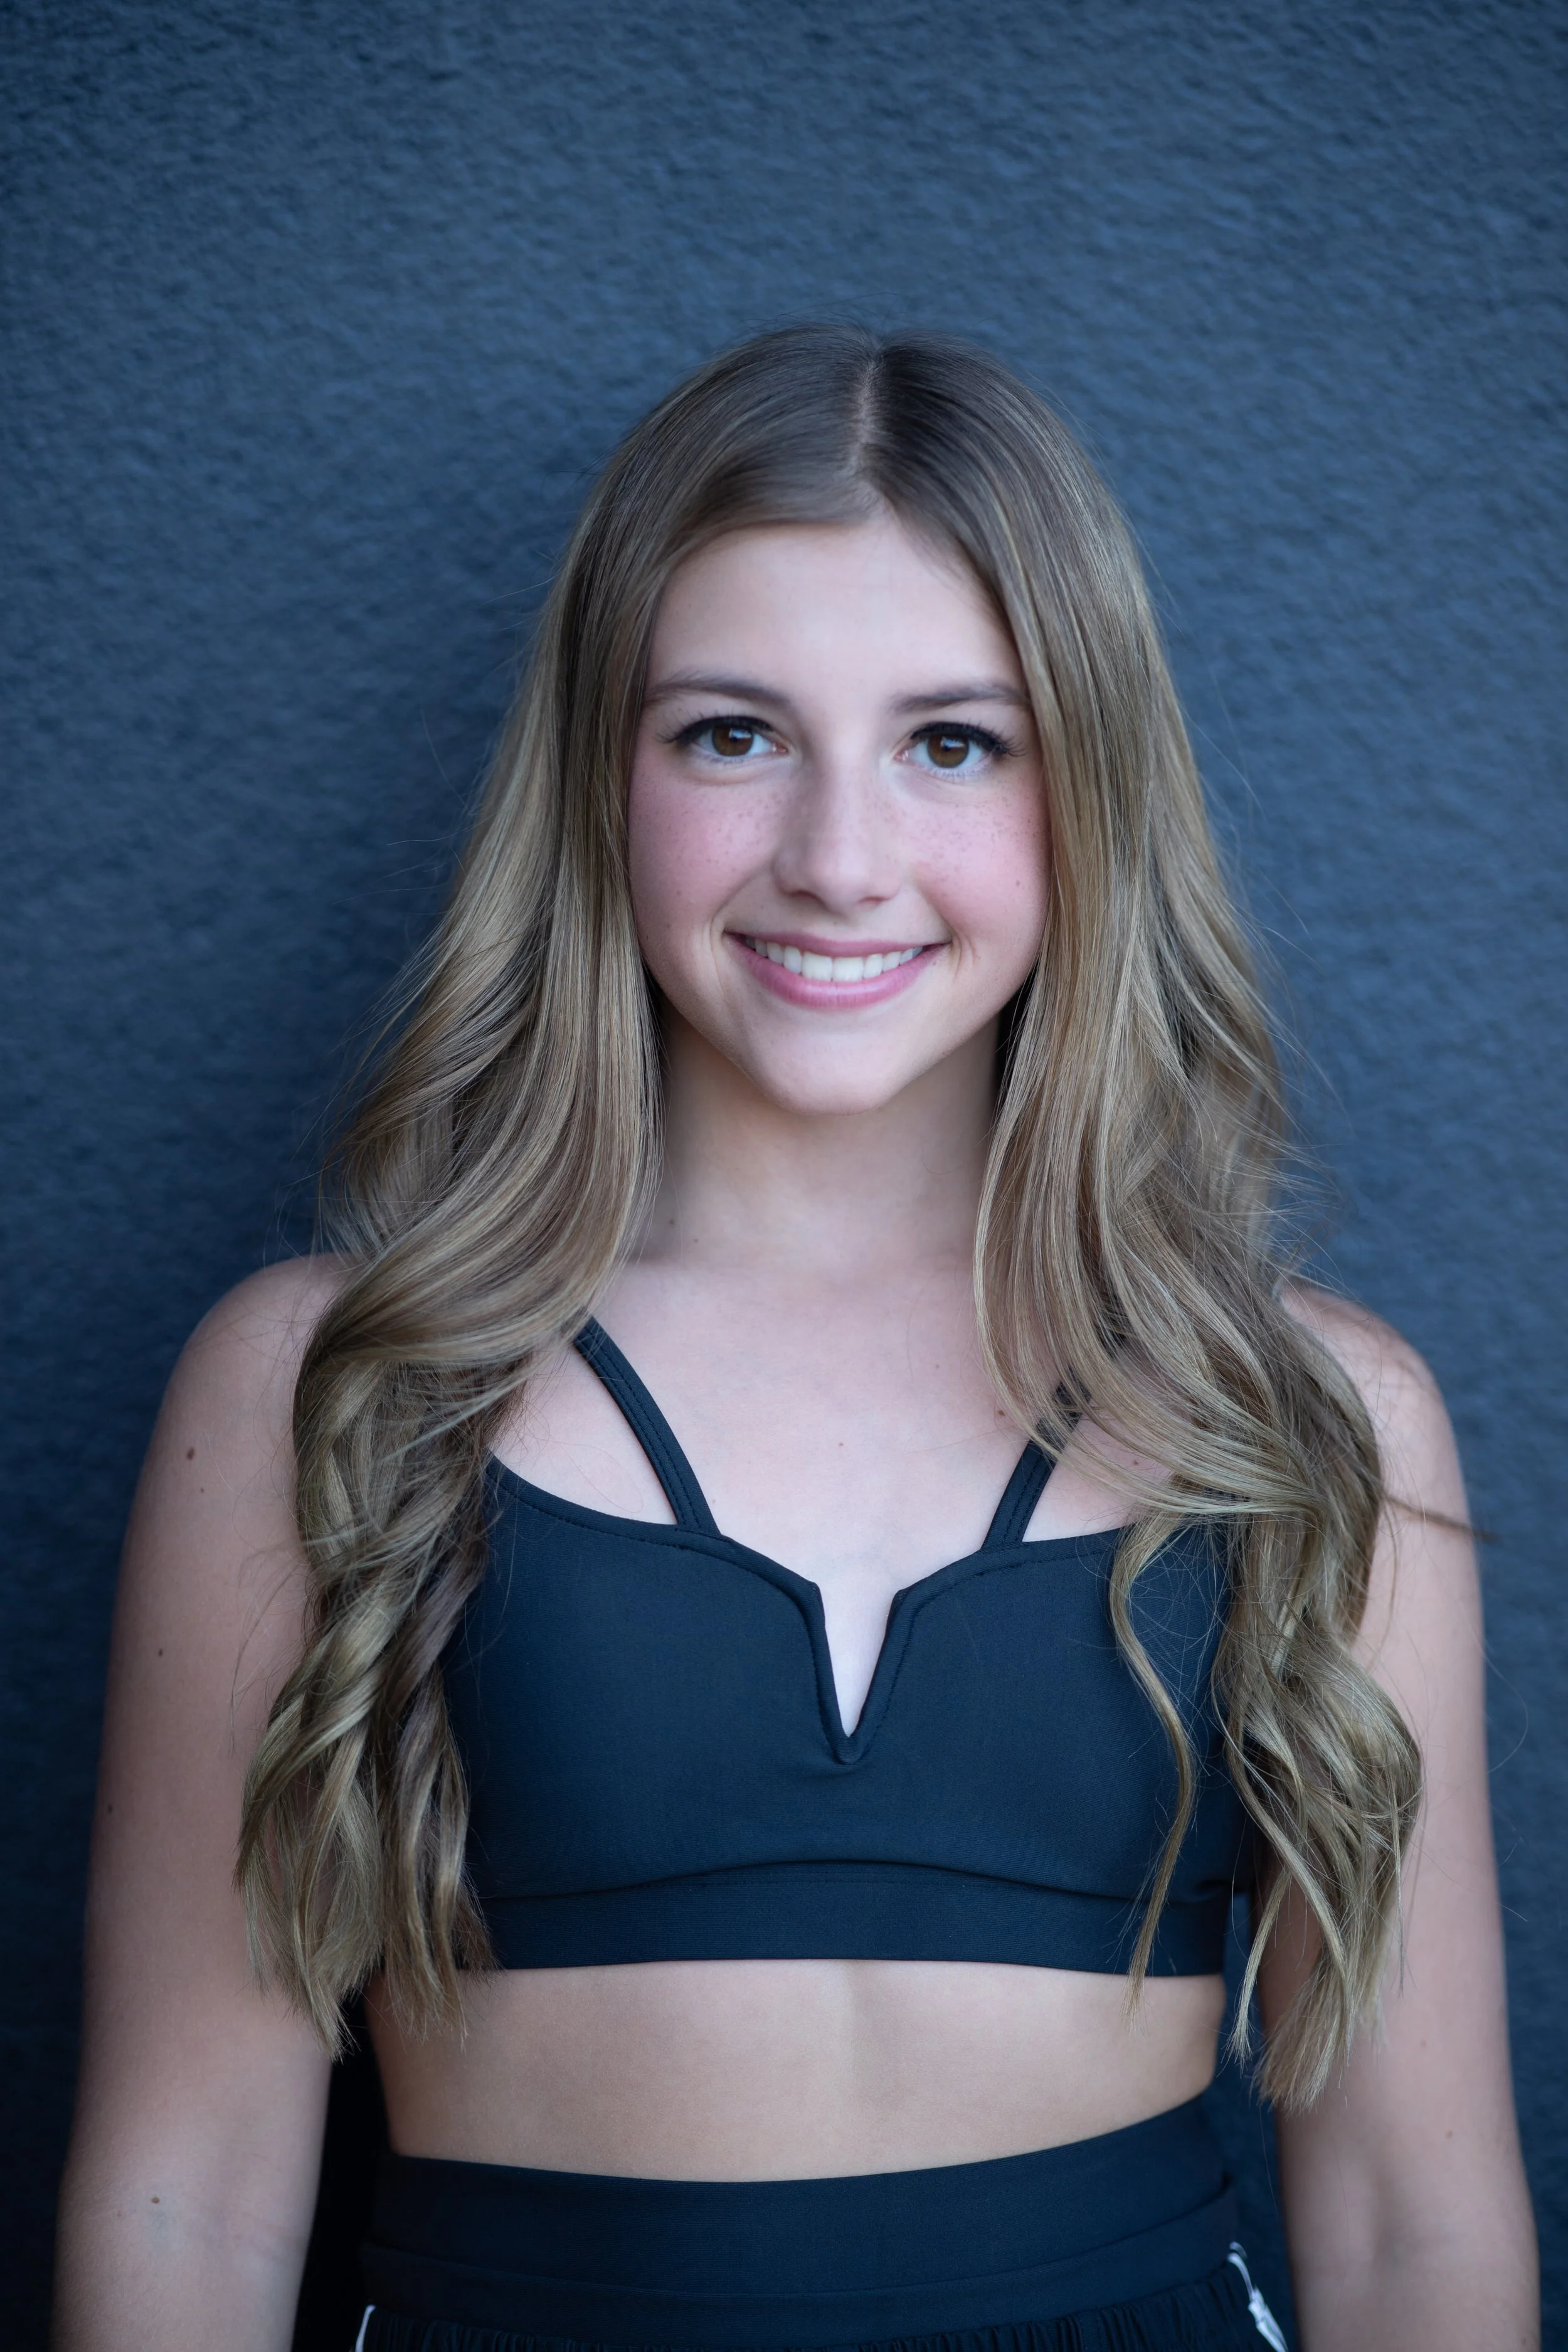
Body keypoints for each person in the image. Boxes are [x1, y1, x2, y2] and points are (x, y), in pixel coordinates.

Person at [53, 326, 1537, 2352]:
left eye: (953, 742)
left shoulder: (1303, 1418)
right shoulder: (336, 1390)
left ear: (1085, 785)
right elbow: (189, 2196)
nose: (839, 856)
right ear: (604, 776)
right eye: (732, 734)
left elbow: (1409, 2224)